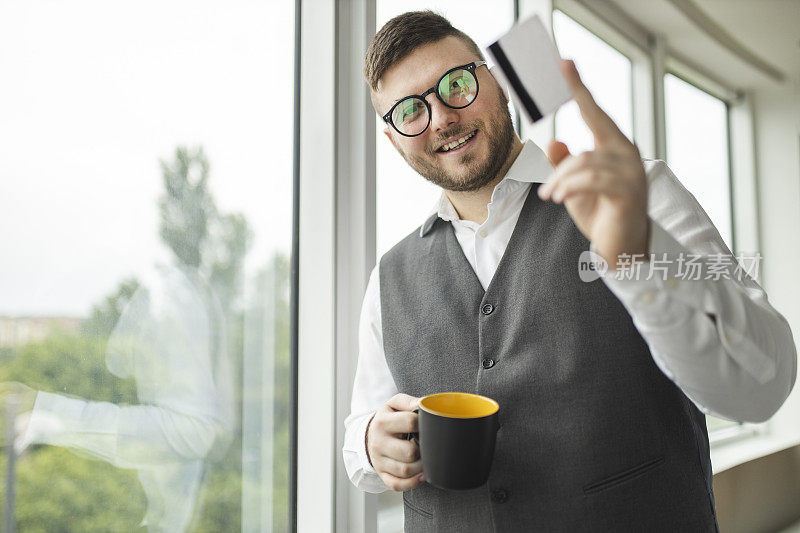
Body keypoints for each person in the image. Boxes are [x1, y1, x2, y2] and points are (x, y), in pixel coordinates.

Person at [342, 10, 797, 533]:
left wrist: (641, 256)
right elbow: (362, 425)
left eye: (457, 84)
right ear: (394, 138)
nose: (441, 117)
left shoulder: (638, 196)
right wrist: (372, 442)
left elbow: (765, 382)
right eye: (409, 111)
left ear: (497, 80)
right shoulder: (388, 277)